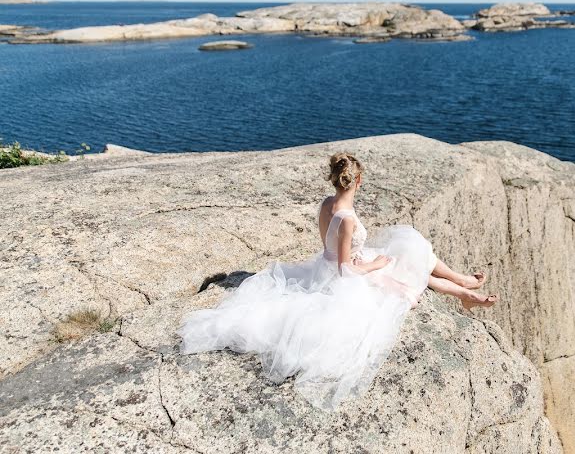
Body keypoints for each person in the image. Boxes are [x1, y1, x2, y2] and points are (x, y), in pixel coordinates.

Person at [177, 152, 497, 409]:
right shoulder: (347, 219)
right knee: (406, 277)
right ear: (357, 181)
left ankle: (464, 286)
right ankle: (464, 290)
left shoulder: (326, 205)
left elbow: (329, 251)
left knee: (412, 249)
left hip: (330, 266)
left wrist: (366, 261)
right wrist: (373, 266)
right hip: (344, 280)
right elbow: (345, 270)